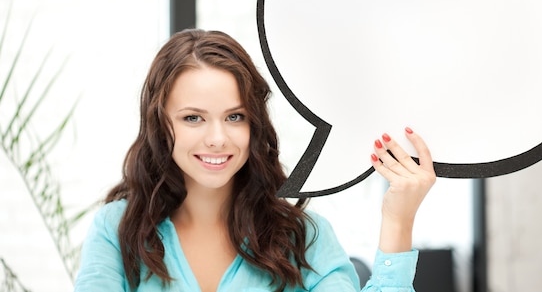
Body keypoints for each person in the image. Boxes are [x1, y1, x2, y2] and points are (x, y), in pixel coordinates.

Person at [74, 29, 436, 292]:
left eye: (235, 117)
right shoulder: (117, 230)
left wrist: (398, 221)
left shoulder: (302, 238)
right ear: (159, 123)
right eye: (193, 118)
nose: (217, 139)